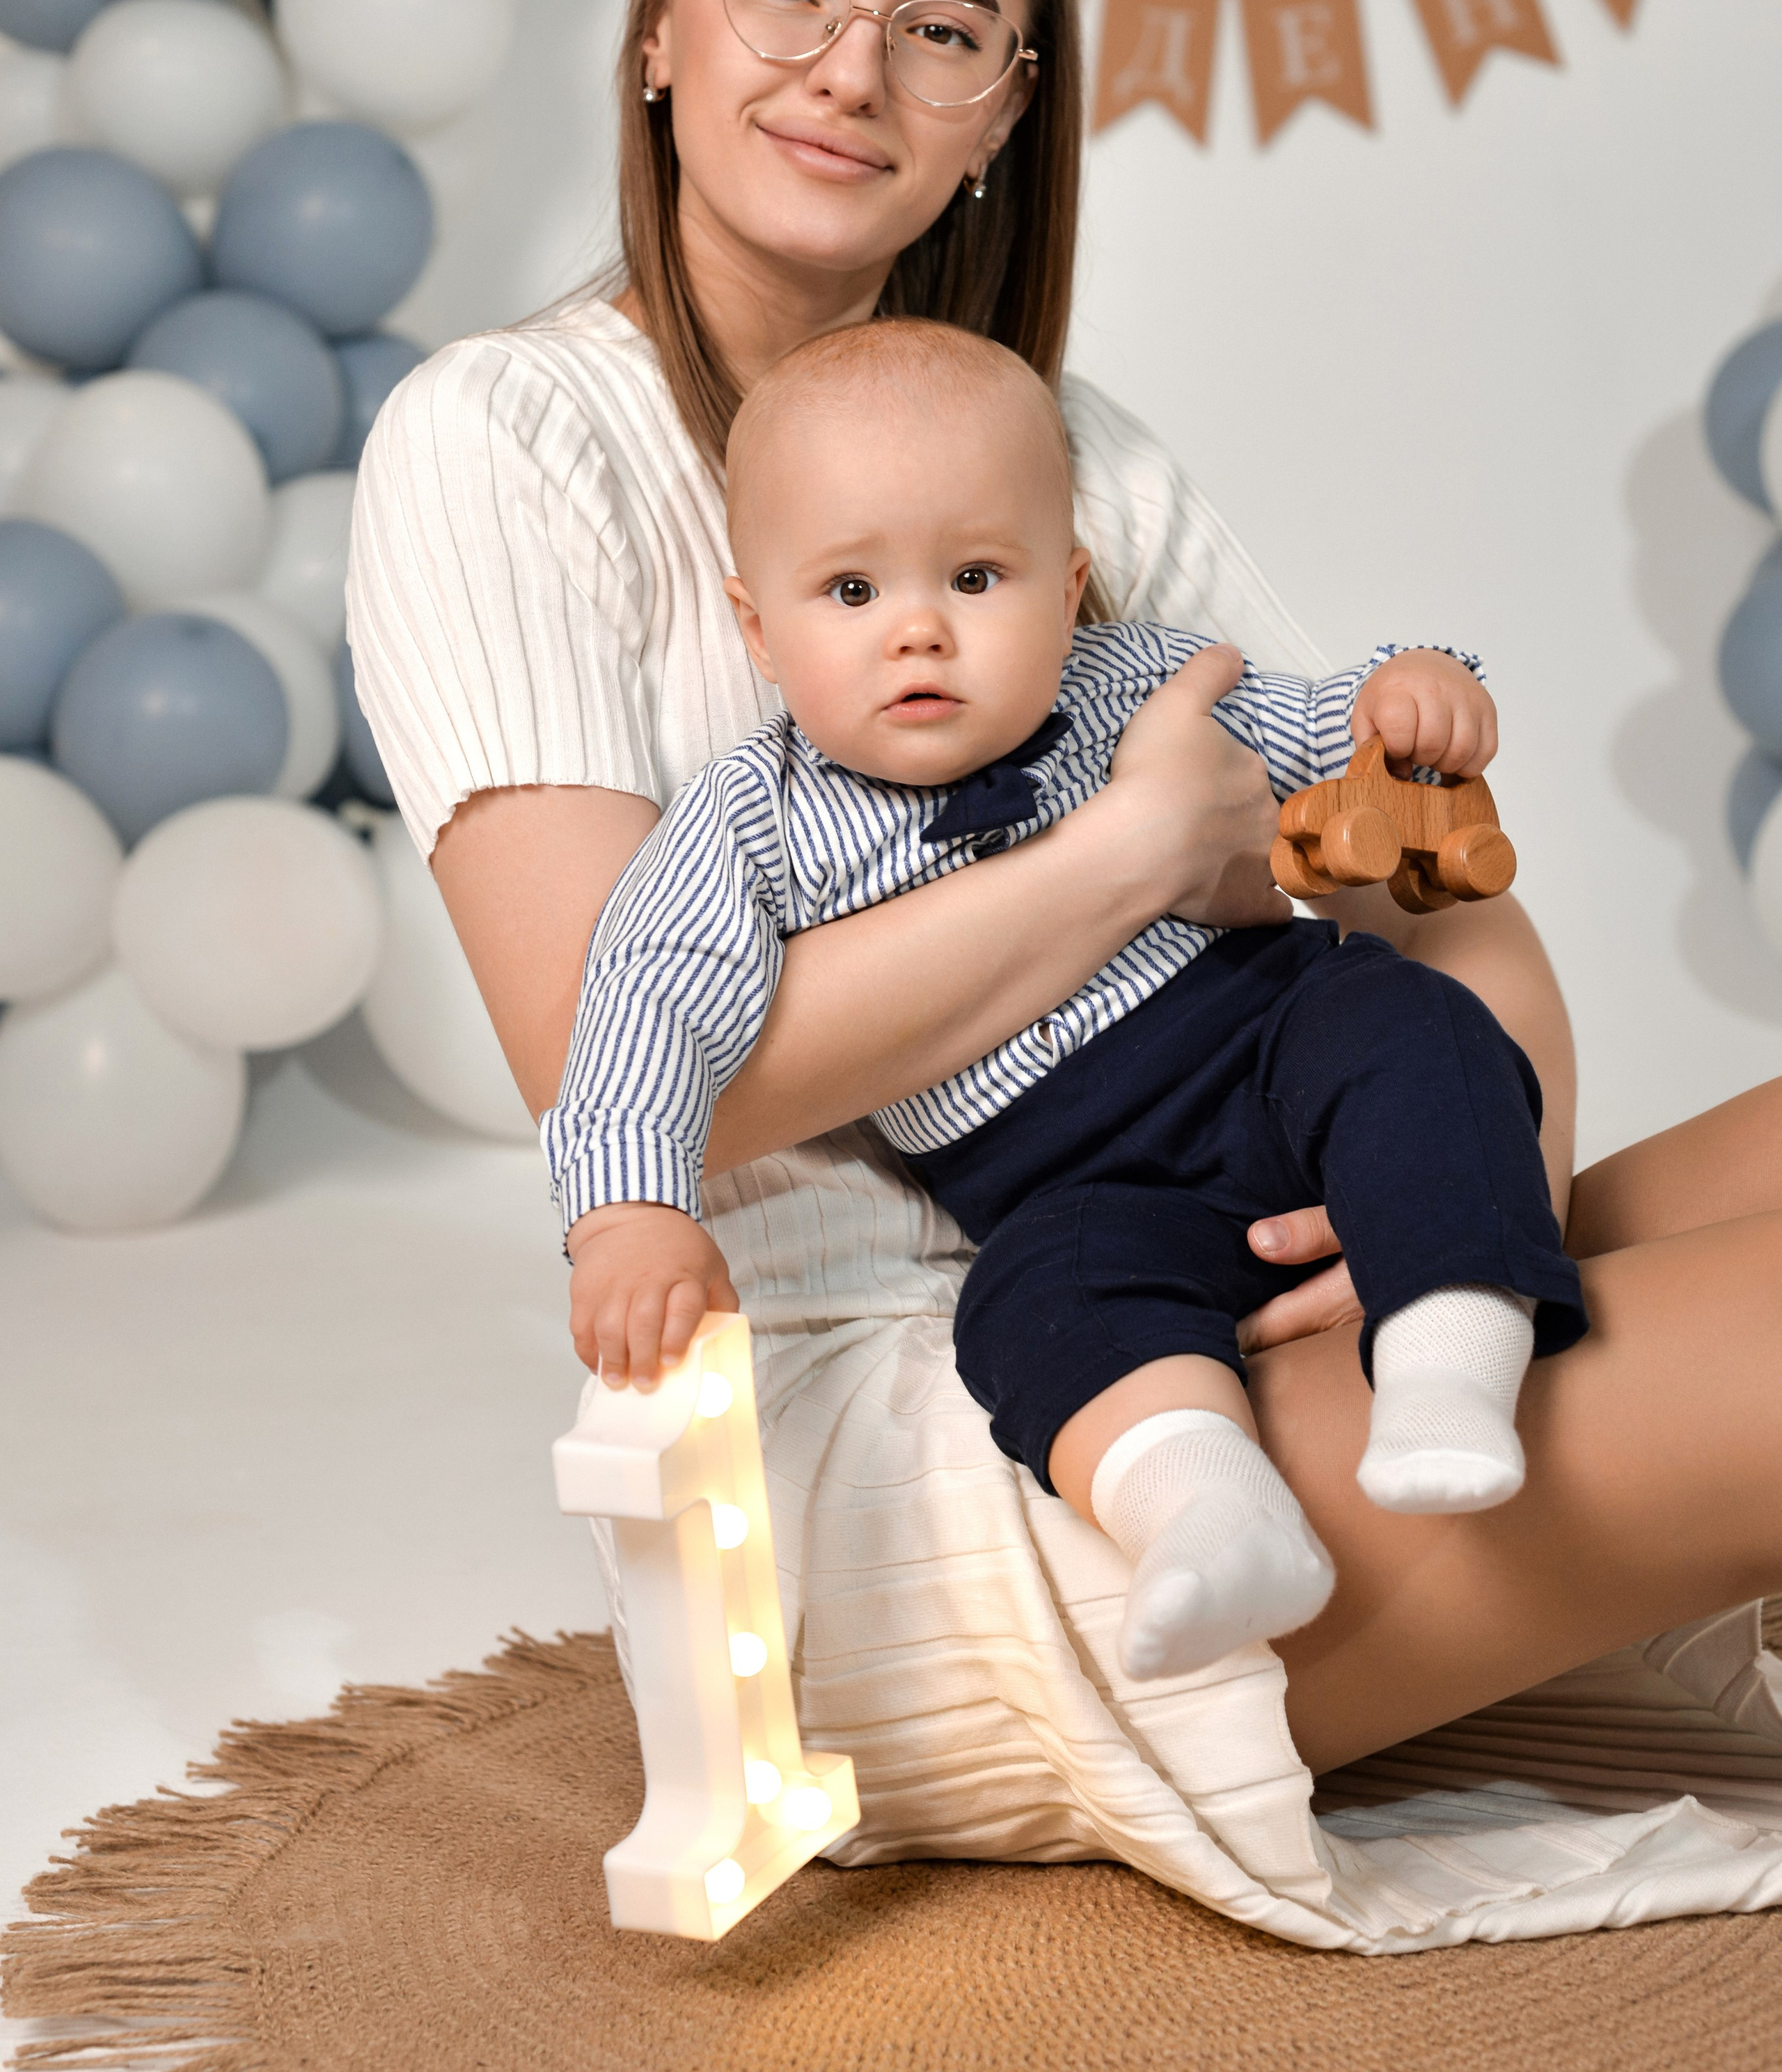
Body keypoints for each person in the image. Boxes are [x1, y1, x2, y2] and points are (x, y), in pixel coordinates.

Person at [347, 0, 1782, 1802]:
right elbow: (623, 1055)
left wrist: (1464, 1225)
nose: (849, 67)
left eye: (943, 27)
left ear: (1006, 112)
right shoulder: (503, 444)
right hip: (991, 1411)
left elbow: (1420, 867)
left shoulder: (1065, 452)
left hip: (1276, 1262)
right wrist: (1132, 851)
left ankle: (1467, 1344)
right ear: (662, 13)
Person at [547, 315, 1586, 1684]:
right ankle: (1203, 1512)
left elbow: (1317, 728)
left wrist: (1409, 697)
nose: (917, 627)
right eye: (849, 592)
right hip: (1059, 1182)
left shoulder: (1128, 683)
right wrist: (628, 1211)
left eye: (974, 575)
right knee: (1030, 1306)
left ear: (1064, 585)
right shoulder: (749, 824)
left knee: (1410, 1031)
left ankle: (1449, 1370)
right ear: (756, 623)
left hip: (1259, 1045)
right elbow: (646, 1008)